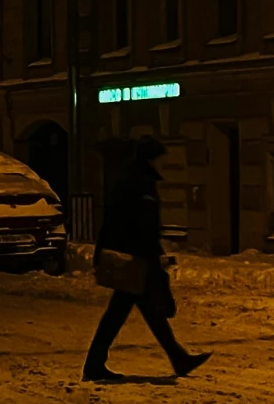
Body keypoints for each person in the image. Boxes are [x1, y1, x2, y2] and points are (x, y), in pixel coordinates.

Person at [82, 135, 210, 384]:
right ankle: (95, 364)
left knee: (136, 311)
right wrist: (154, 256)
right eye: (162, 158)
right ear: (151, 159)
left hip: (133, 256)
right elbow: (140, 226)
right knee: (127, 312)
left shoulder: (132, 180)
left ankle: (176, 358)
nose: (164, 164)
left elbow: (116, 220)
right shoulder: (139, 184)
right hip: (134, 258)